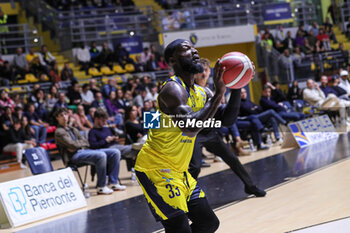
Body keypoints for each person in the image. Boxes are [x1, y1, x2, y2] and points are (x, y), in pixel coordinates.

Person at [135, 39, 223, 233]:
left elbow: (228, 119)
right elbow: (189, 128)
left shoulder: (202, 92)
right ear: (172, 60)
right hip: (156, 168)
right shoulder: (172, 89)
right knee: (180, 227)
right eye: (187, 48)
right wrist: (218, 94)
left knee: (209, 223)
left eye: (194, 47)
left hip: (180, 170)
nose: (194, 51)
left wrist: (234, 86)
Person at [188, 58, 266, 197]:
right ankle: (185, 196)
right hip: (194, 134)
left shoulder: (210, 91)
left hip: (210, 132)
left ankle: (250, 186)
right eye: (200, 70)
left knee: (232, 158)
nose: (203, 73)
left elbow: (227, 120)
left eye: (206, 70)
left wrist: (238, 84)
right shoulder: (188, 90)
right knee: (195, 166)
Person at [54, 108, 124, 195]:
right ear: (57, 118)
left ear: (68, 115)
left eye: (65, 114)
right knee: (101, 155)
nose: (64, 117)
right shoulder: (59, 132)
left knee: (115, 152)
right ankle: (101, 187)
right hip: (73, 157)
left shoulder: (72, 129)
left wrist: (77, 145)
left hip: (83, 151)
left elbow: (85, 142)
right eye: (61, 115)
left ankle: (113, 182)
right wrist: (78, 144)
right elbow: (73, 145)